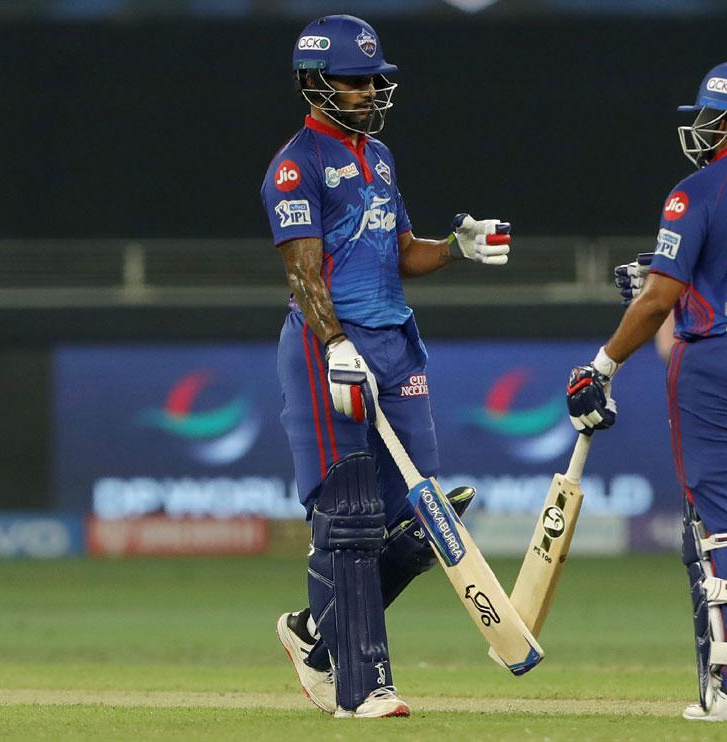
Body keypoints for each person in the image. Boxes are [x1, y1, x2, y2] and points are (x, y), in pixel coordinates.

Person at [259, 15, 512, 719]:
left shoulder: (381, 156)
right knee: (350, 516)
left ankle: (314, 633)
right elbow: (304, 272)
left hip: (397, 341)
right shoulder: (295, 165)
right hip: (327, 346)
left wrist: (455, 248)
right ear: (314, 82)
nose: (370, 90)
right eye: (355, 78)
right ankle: (362, 686)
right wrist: (337, 346)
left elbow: (401, 252)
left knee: (423, 516)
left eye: (375, 78)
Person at [569, 61, 727, 721]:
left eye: (709, 116)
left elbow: (660, 298)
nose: (701, 128)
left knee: (722, 519)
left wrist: (601, 364)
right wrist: (673, 290)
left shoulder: (694, 190)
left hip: (721, 364)